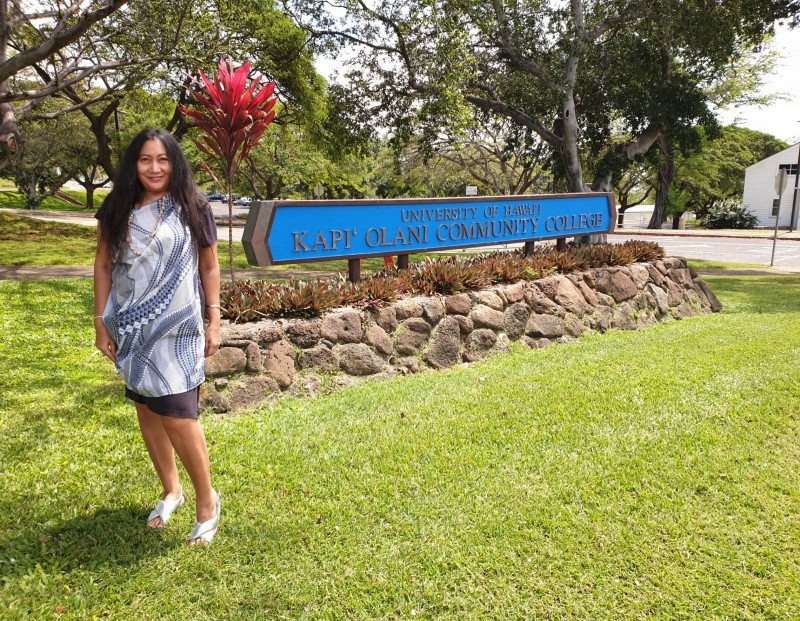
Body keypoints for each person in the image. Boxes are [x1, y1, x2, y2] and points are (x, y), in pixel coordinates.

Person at [93, 128, 222, 544]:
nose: (154, 168)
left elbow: (209, 267)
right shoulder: (117, 206)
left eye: (163, 160)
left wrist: (215, 320)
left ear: (175, 163)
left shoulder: (192, 206)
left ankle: (207, 501)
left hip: (180, 327)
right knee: (147, 409)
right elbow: (103, 266)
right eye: (146, 159)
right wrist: (101, 322)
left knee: (179, 413)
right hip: (132, 327)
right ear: (135, 164)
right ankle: (172, 489)